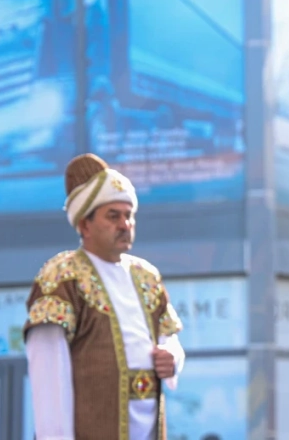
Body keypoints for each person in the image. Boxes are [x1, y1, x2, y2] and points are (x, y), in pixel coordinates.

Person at [24, 154, 185, 440]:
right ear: (85, 225)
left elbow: (168, 338)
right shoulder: (62, 276)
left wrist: (172, 358)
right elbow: (48, 369)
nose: (125, 224)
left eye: (129, 215)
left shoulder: (147, 276)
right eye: (113, 216)